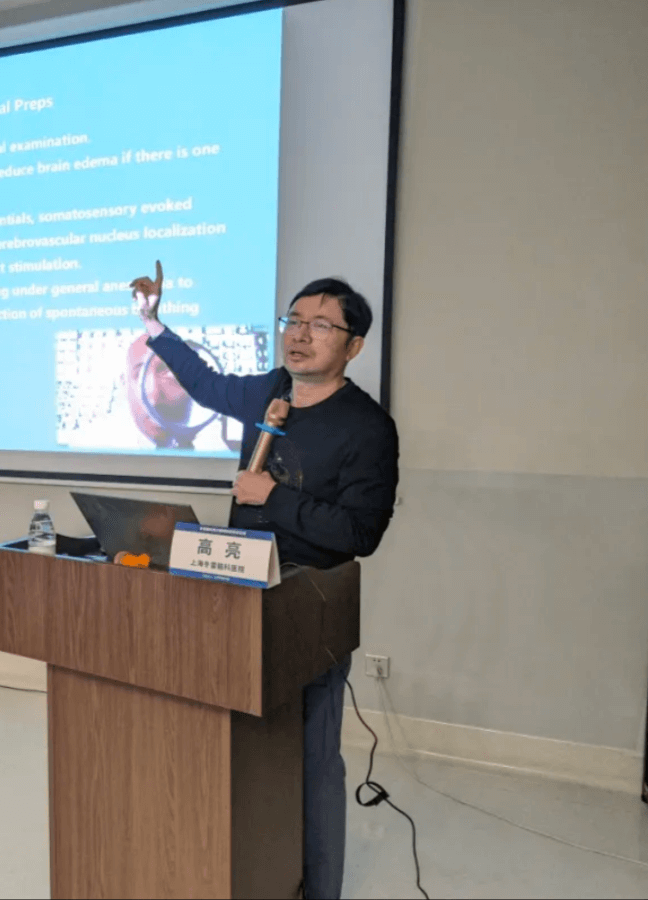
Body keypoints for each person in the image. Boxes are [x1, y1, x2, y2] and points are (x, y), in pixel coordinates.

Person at [133, 265, 399, 900]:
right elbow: (204, 384)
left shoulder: (367, 427)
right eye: (293, 321)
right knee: (243, 751)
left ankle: (321, 889)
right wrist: (154, 326)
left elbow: (361, 532)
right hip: (238, 595)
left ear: (354, 346)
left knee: (312, 761)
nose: (300, 335)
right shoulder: (272, 389)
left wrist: (271, 497)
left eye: (320, 326)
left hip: (308, 607)